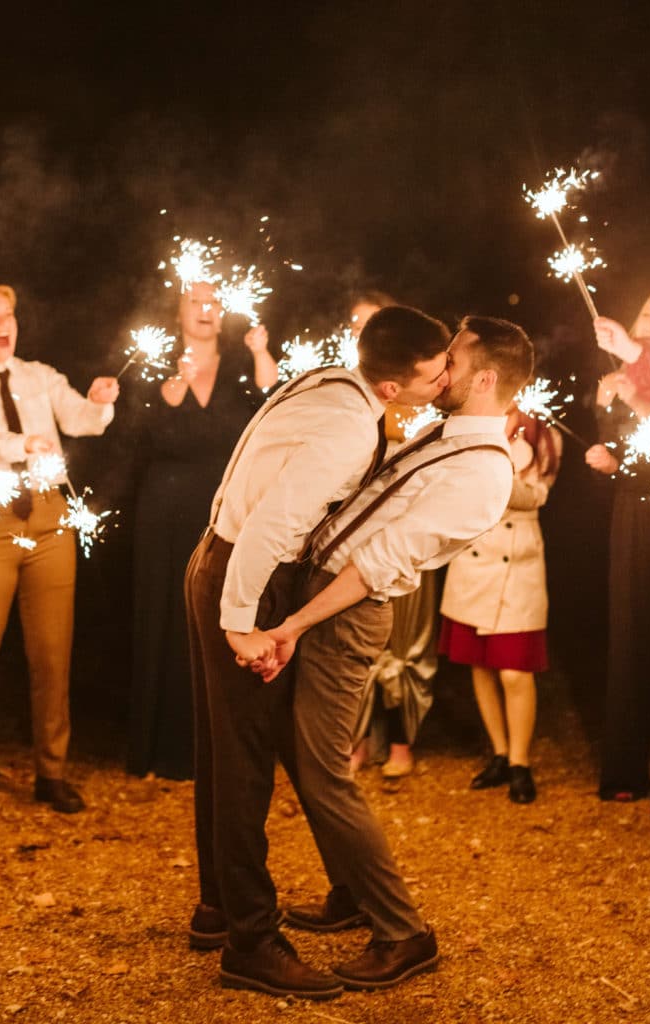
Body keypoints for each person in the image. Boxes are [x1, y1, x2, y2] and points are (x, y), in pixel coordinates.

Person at [243, 315, 533, 991]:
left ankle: (403, 931)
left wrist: (292, 624)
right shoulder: (444, 431)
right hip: (323, 597)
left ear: (484, 377)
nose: (436, 367)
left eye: (449, 360)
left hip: (346, 615)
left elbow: (376, 565)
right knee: (300, 750)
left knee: (323, 773)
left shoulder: (483, 472)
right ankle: (352, 891)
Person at [185, 305, 451, 999]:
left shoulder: (333, 380)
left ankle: (216, 908)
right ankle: (251, 942)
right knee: (244, 762)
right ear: (391, 388)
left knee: (224, 746)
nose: (445, 377)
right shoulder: (345, 427)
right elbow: (271, 528)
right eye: (434, 372)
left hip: (217, 556)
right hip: (247, 571)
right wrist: (241, 621)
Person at [127, 281, 276, 780]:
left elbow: (273, 403)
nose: (206, 310)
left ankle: (215, 751)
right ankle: (158, 750)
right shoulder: (155, 369)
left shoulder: (240, 371)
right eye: (195, 302)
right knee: (164, 617)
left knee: (217, 618)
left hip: (222, 511)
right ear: (178, 313)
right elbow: (135, 432)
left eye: (214, 302)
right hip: (163, 512)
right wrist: (168, 388)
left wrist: (262, 352)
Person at [0, 284, 119, 813]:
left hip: (49, 521)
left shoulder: (39, 376)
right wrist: (22, 445)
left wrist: (98, 404)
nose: (3, 325)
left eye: (8, 315)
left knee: (52, 654)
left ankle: (51, 772)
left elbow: (79, 422)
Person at [585, 288, 650, 819]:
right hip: (634, 514)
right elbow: (622, 452)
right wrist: (608, 455)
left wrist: (633, 372)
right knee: (630, 634)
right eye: (646, 313)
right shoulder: (616, 381)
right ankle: (624, 770)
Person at [439, 405, 562, 803]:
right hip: (475, 556)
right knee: (481, 664)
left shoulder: (546, 436)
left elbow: (535, 497)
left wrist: (494, 469)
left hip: (518, 561)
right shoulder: (471, 428)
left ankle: (520, 764)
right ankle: (500, 753)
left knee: (514, 671)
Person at [348, 290, 438, 780]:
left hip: (405, 530)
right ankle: (356, 739)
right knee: (355, 633)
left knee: (402, 638)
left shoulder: (418, 395)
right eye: (356, 323)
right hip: (356, 531)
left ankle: (401, 741)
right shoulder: (346, 392)